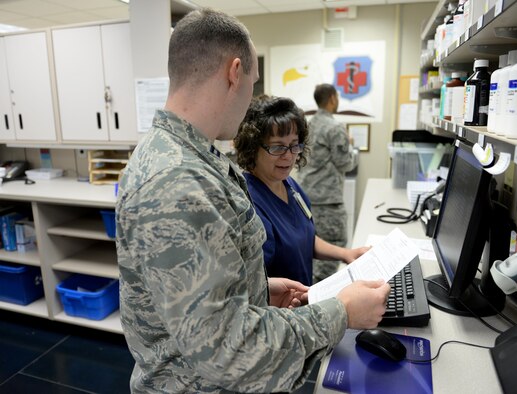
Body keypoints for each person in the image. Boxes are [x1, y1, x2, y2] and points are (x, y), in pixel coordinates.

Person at [116, 8, 390, 393]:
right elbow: (225, 349)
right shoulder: (178, 180)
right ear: (234, 71)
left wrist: (256, 288)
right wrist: (341, 312)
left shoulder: (191, 157)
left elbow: (198, 293)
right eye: (252, 80)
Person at [234, 95, 369, 286]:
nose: (288, 156)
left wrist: (346, 254)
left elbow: (305, 239)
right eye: (278, 147)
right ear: (252, 146)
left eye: (294, 145)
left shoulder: (291, 186)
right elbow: (255, 286)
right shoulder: (250, 204)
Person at [296, 83, 359, 283]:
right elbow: (345, 163)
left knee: (311, 250)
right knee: (334, 248)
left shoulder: (306, 125)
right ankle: (321, 298)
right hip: (328, 203)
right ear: (332, 98)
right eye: (337, 97)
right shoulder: (335, 127)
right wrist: (350, 145)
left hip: (304, 200)